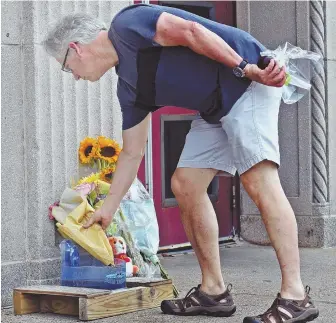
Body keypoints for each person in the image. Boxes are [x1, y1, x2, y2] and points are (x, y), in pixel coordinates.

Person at [43, 4, 319, 322]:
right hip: (215, 105)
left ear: (76, 48)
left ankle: (295, 297)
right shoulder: (129, 88)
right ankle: (214, 292)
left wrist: (246, 68)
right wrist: (106, 209)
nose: (75, 77)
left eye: (67, 67)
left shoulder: (128, 24)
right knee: (186, 184)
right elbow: (132, 153)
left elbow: (191, 32)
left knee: (258, 178)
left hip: (246, 81)